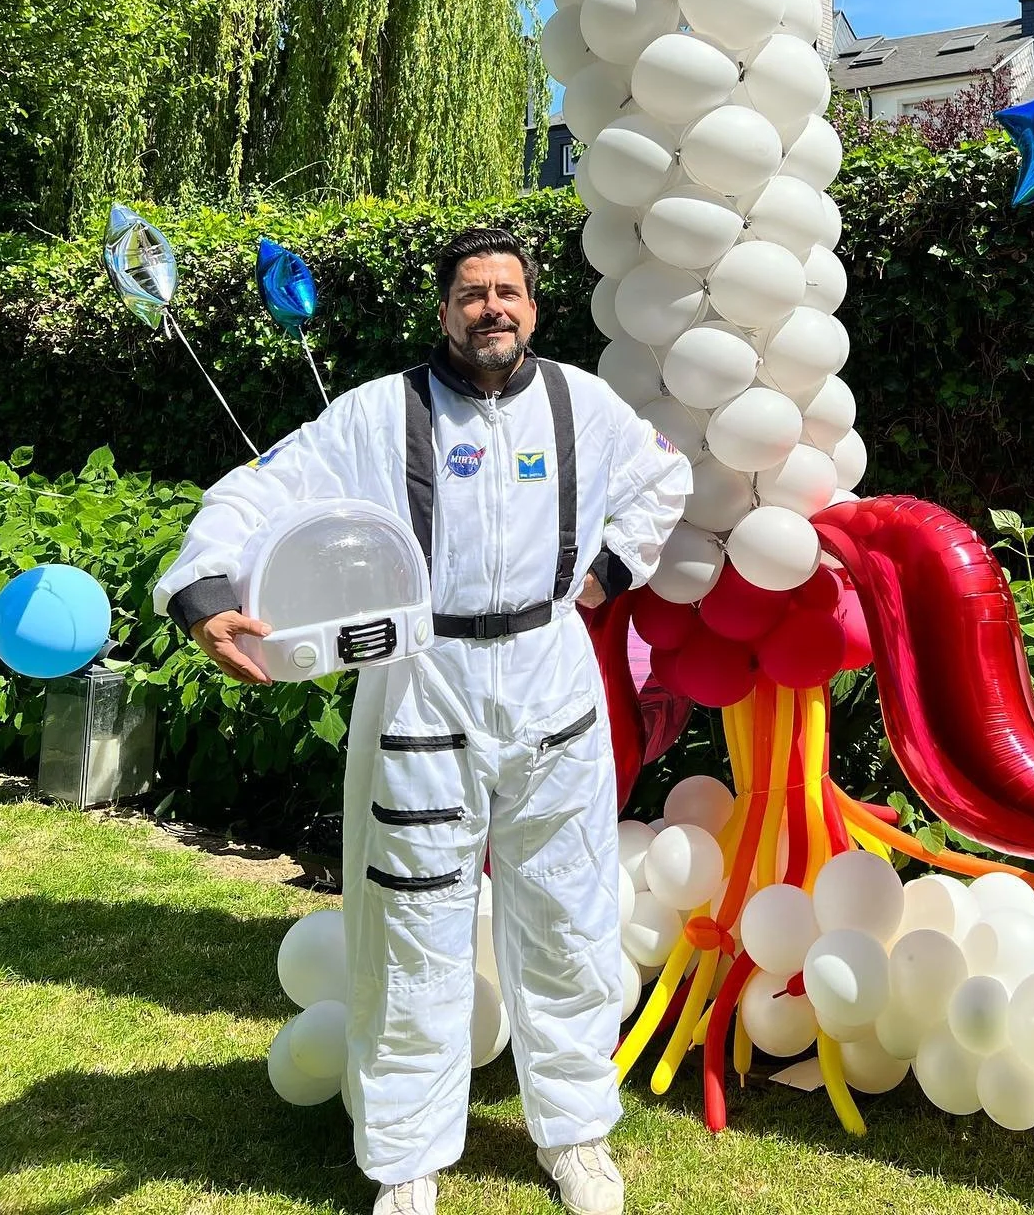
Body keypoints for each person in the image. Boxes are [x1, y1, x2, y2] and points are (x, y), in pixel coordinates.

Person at [154, 226, 692, 1215]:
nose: (493, 307)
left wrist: (611, 569)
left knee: (568, 915)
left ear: (534, 307)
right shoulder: (374, 417)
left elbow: (664, 479)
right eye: (472, 293)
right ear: (443, 310)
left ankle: (575, 1134)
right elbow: (260, 488)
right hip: (420, 678)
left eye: (509, 292)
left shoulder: (584, 406)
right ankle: (406, 1154)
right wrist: (202, 590)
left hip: (551, 681)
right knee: (411, 924)